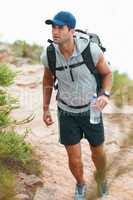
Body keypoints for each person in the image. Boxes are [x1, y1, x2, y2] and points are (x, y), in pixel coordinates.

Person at [41, 11, 112, 200]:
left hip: (91, 109)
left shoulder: (90, 49)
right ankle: (80, 184)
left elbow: (107, 74)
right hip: (66, 112)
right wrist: (45, 108)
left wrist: (104, 94)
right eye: (53, 27)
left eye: (60, 27)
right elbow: (47, 80)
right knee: (74, 159)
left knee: (97, 153)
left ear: (71, 30)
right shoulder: (49, 54)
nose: (55, 32)